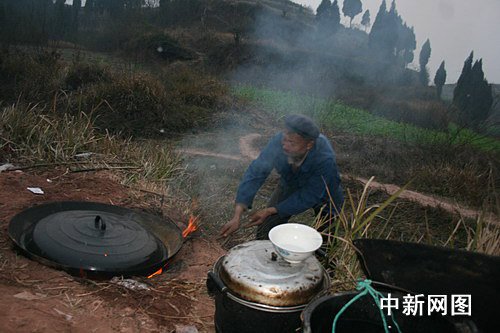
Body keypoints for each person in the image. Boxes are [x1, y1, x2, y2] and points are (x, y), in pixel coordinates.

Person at [219, 114, 344, 240]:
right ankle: (265, 251)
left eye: (291, 143)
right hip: (290, 182)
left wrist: (270, 210)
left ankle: (323, 256)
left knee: (326, 236)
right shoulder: (279, 141)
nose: (285, 146)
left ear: (309, 145)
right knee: (267, 225)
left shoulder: (324, 159)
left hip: (325, 192)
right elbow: (256, 172)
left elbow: (310, 195)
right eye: (285, 139)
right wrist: (237, 215)